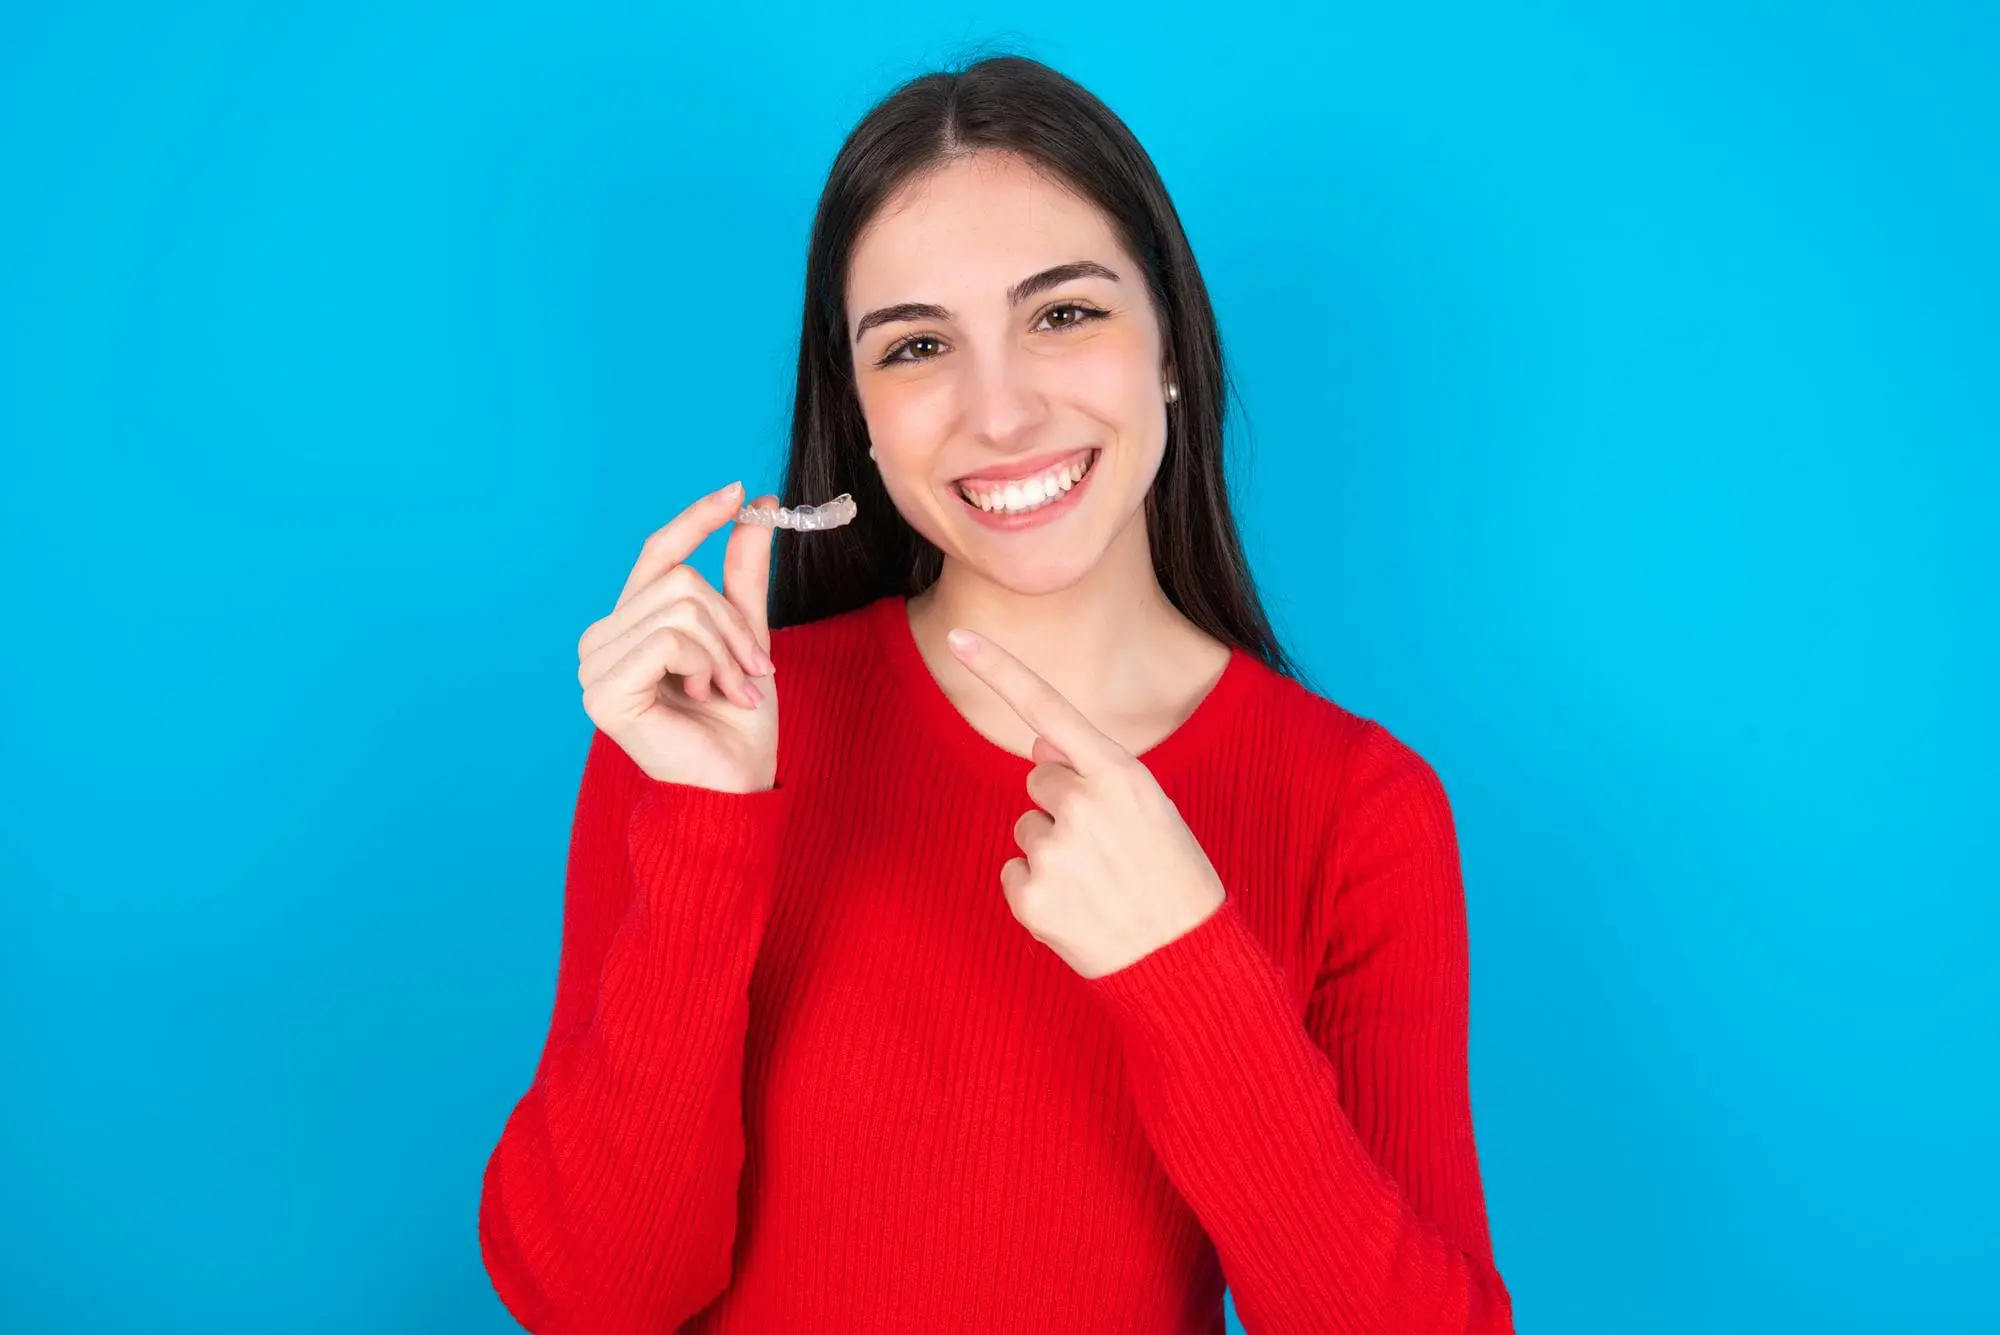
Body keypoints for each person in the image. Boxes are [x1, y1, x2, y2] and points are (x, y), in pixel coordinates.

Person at [478, 53, 1516, 1335]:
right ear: (858, 413)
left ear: (1173, 351)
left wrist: (1184, 966)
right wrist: (705, 831)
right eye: (917, 346)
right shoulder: (711, 728)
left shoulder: (1355, 808)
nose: (1001, 410)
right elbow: (588, 1300)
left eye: (1063, 314)